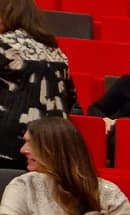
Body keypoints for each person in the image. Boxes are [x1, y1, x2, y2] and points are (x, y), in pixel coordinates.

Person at [0, 117, 130, 215]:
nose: (23, 150)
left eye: (31, 143)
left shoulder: (108, 191)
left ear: (54, 149)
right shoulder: (24, 185)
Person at [0, 0, 74, 168]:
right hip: (51, 146)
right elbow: (70, 97)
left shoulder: (2, 45)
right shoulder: (56, 51)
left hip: (8, 144)